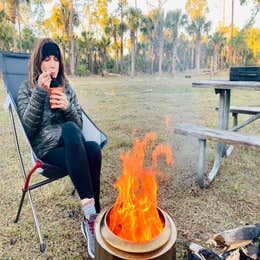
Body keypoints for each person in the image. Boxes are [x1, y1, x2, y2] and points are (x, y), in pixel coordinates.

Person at [17, 38, 101, 259]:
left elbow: (79, 124)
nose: (52, 64)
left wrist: (68, 106)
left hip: (71, 146)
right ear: (39, 63)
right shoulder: (27, 88)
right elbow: (28, 128)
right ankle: (92, 219)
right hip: (47, 151)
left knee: (91, 147)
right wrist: (39, 93)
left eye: (56, 59)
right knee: (77, 135)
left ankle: (92, 218)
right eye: (47, 59)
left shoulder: (66, 86)